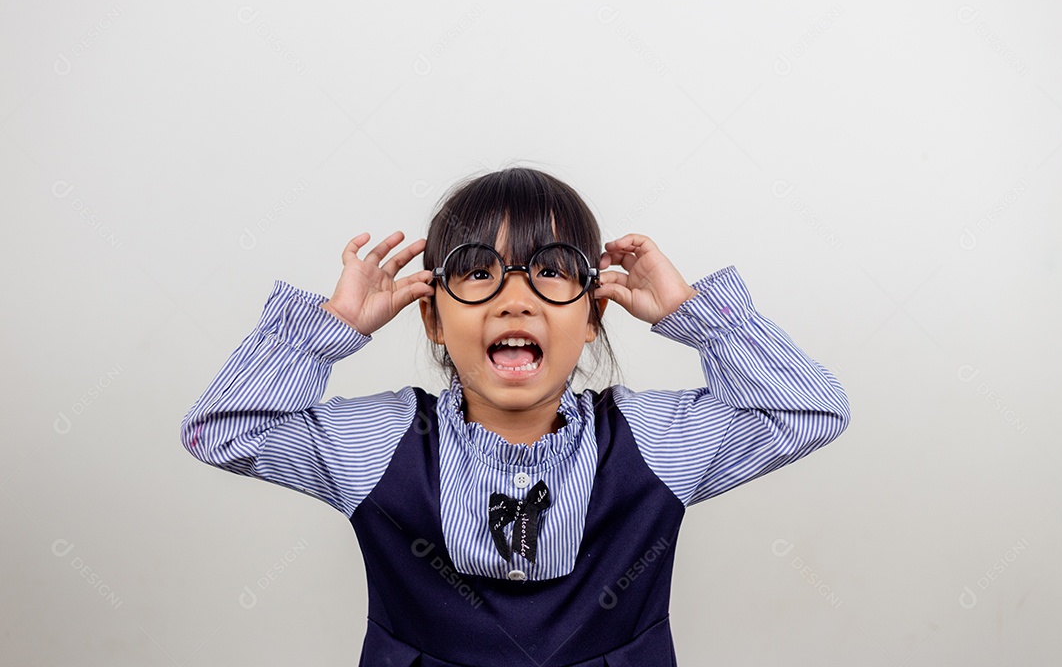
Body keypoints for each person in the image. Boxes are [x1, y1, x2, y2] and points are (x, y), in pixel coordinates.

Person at [180, 166, 850, 666]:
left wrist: (699, 319)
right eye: (477, 273)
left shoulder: (655, 442)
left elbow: (808, 411)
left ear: (592, 315)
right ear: (432, 316)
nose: (515, 299)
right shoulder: (383, 444)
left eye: (552, 271)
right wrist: (328, 329)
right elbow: (223, 431)